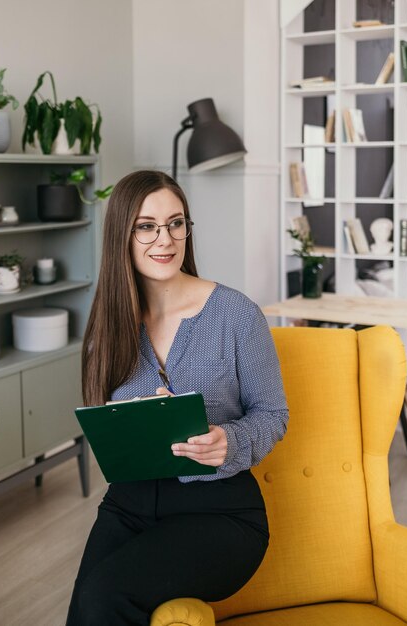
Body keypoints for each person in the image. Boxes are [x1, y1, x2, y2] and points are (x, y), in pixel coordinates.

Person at [66, 170, 289, 626]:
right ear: (122, 237)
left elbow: (273, 414)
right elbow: (103, 420)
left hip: (220, 510)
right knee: (85, 607)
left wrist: (230, 439)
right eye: (145, 226)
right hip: (130, 502)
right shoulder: (108, 324)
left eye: (176, 223)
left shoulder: (237, 316)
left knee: (104, 597)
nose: (164, 239)